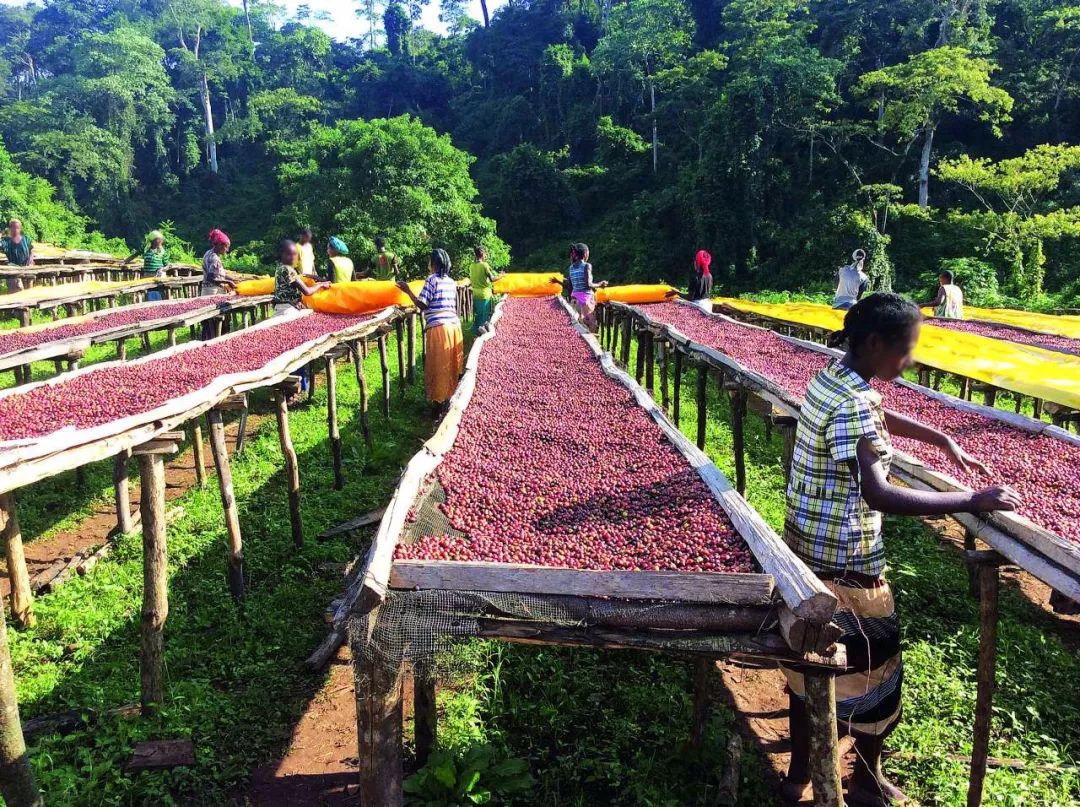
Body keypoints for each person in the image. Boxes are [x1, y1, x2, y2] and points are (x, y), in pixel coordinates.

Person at [781, 293, 1020, 806]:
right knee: (877, 677)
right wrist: (970, 499)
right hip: (848, 565)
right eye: (905, 350)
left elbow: (876, 416)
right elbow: (878, 492)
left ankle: (796, 774)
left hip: (804, 550)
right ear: (873, 343)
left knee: (806, 669)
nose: (910, 361)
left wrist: (941, 440)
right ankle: (865, 780)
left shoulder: (832, 373)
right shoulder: (856, 401)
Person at [397, 248, 464, 409]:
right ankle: (449, 397)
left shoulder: (432, 280)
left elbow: (422, 304)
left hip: (440, 329)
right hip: (454, 327)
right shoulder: (451, 281)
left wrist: (407, 291)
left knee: (438, 366)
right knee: (452, 365)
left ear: (433, 263)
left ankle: (438, 404)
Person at [273, 238, 330, 316]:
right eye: (289, 254)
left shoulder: (280, 266)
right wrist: (320, 285)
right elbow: (307, 292)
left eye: (294, 254)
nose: (293, 257)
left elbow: (289, 289)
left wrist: (297, 302)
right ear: (282, 254)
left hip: (283, 307)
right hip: (286, 310)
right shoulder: (288, 269)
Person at [200, 229, 238, 339]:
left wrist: (232, 279)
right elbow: (211, 277)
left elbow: (219, 274)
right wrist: (228, 282)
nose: (227, 249)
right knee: (212, 320)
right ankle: (211, 341)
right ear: (220, 245)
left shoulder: (209, 253)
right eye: (226, 246)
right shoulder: (214, 258)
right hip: (212, 291)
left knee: (209, 321)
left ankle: (209, 340)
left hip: (208, 290)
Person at [567, 242, 607, 332]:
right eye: (588, 252)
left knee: (578, 326)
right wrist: (600, 284)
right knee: (590, 327)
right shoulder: (587, 265)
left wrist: (571, 297)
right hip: (586, 299)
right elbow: (588, 284)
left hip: (575, 299)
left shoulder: (571, 267)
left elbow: (570, 285)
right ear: (585, 253)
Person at [469, 246, 502, 335]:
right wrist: (501, 276)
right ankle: (482, 335)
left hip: (475, 294)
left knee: (478, 316)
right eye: (485, 253)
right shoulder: (484, 265)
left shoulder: (471, 266)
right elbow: (492, 279)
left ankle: (475, 335)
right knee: (484, 317)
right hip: (484, 295)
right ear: (482, 254)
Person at [1, 219, 34, 292]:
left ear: (20, 228)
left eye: (17, 227)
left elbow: (31, 250)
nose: (15, 229)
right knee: (16, 289)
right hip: (13, 267)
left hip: (27, 266)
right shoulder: (6, 241)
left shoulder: (26, 239)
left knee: (29, 290)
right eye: (13, 227)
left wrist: (31, 258)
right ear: (10, 229)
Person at [141, 230, 170, 302]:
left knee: (159, 293)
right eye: (158, 240)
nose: (159, 242)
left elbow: (168, 265)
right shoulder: (146, 250)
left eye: (160, 241)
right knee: (150, 293)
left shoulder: (162, 252)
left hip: (159, 276)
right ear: (153, 241)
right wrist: (125, 261)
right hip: (147, 276)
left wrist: (162, 269)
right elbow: (134, 255)